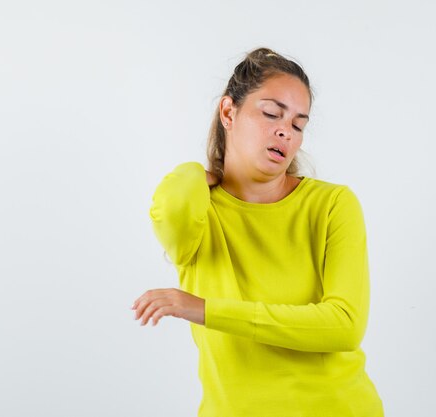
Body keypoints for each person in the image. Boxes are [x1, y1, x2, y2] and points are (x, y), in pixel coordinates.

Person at [131, 47, 384, 416]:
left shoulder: (332, 204)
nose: (285, 130)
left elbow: (344, 326)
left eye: (298, 124)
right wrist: (200, 175)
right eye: (270, 113)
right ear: (228, 112)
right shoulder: (200, 214)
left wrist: (203, 309)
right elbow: (172, 206)